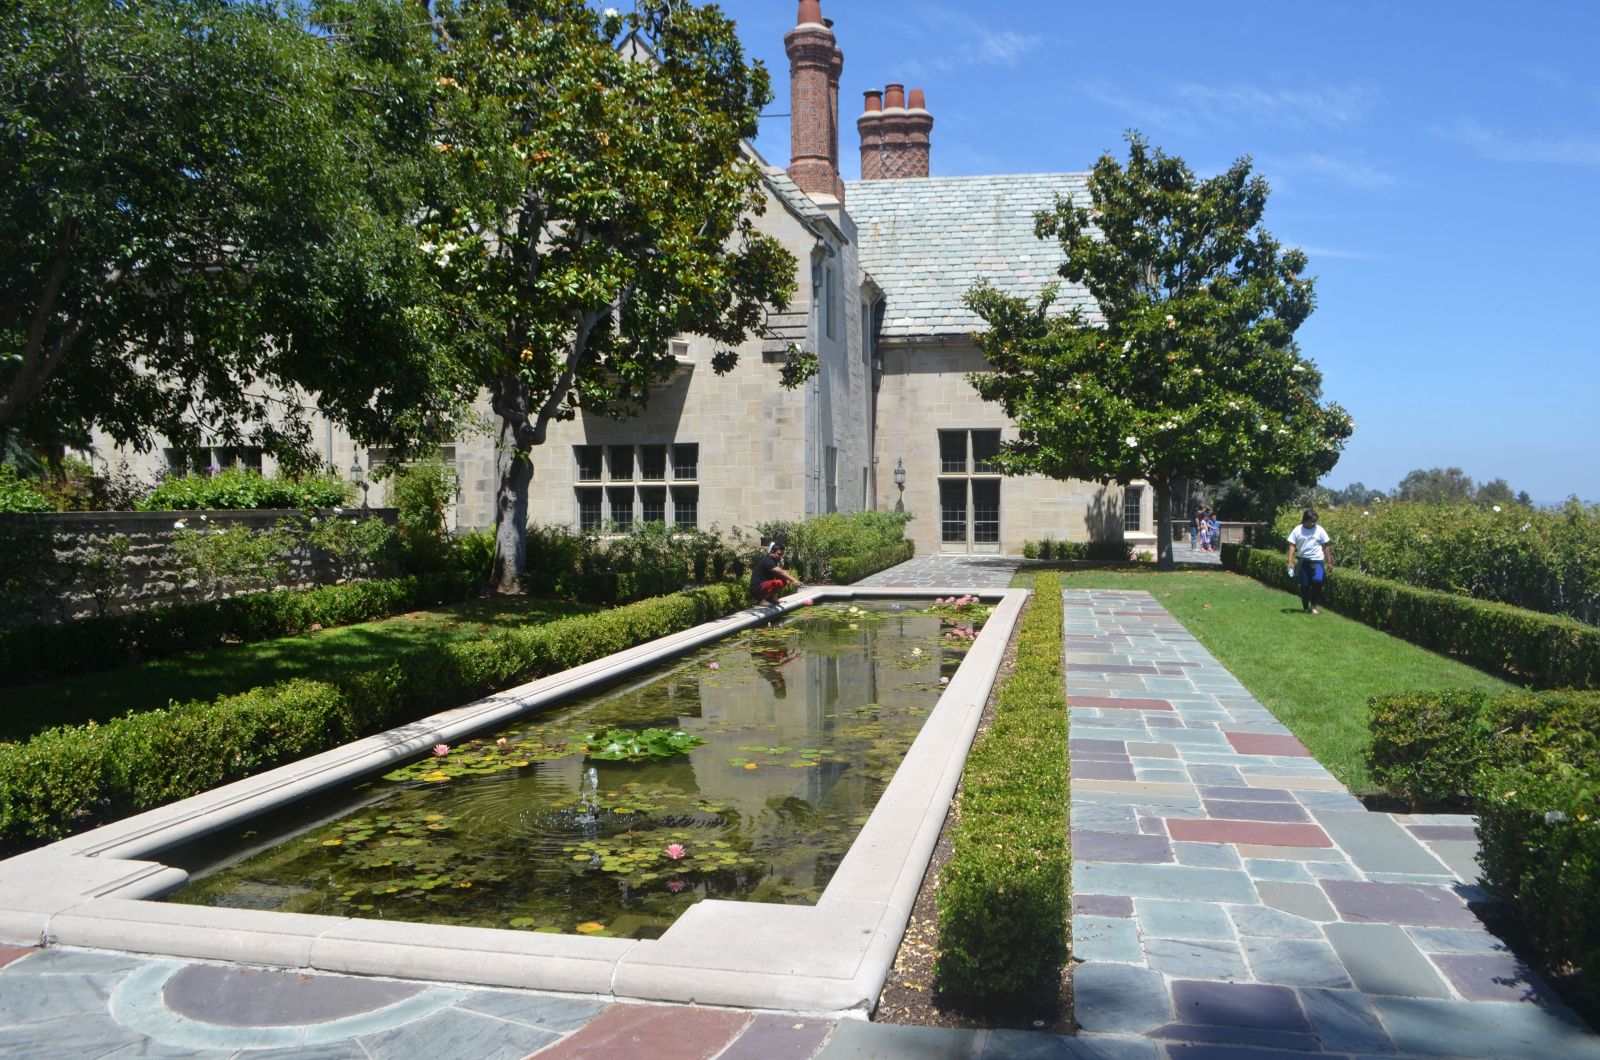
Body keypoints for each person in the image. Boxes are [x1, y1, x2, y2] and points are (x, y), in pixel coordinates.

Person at [1286, 508, 1333, 614]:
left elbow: (1326, 546)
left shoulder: (1320, 530)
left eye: (1314, 521)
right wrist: (1290, 561)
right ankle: (1306, 607)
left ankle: (1314, 606)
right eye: (1310, 521)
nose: (1313, 523)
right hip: (1303, 561)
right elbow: (1292, 545)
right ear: (1304, 520)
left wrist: (1329, 562)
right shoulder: (1297, 530)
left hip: (1317, 561)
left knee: (1318, 581)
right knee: (1305, 585)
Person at [749, 541, 803, 605]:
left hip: (763, 586)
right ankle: (763, 600)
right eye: (779, 554)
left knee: (784, 581)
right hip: (757, 588)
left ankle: (770, 599)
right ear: (772, 552)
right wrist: (793, 580)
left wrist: (787, 580)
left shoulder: (773, 560)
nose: (780, 557)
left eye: (782, 555)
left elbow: (778, 575)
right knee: (778, 583)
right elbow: (779, 571)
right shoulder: (767, 560)